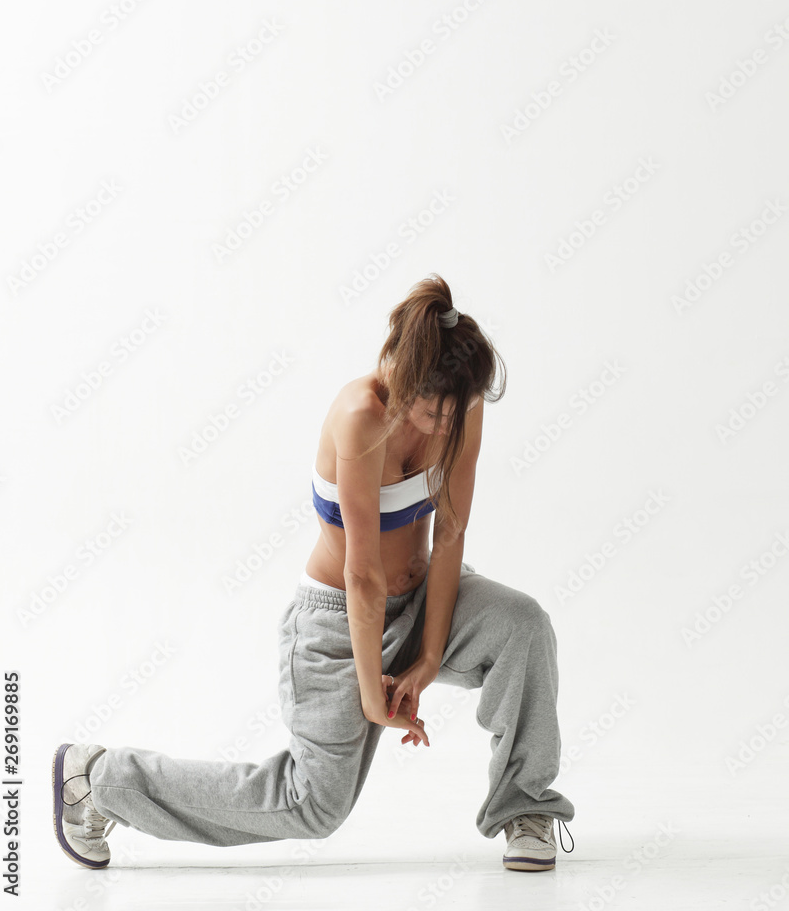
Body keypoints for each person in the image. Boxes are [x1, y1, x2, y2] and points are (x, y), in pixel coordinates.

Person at [52, 272, 575, 873]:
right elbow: (363, 575)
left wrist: (430, 658)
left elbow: (450, 532)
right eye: (432, 411)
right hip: (339, 623)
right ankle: (98, 781)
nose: (443, 425)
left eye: (454, 412)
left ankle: (524, 807)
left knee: (522, 625)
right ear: (406, 378)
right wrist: (374, 694)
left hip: (425, 598)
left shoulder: (459, 404)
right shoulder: (360, 416)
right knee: (312, 805)